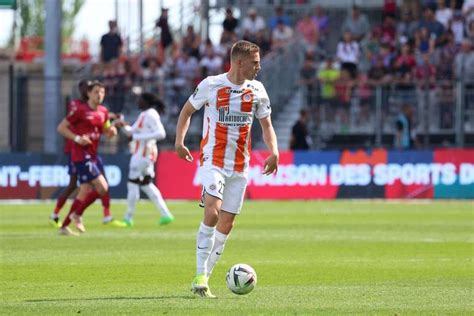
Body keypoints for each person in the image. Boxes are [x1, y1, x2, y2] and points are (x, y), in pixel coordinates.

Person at [175, 40, 279, 298]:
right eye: (255, 62)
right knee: (212, 212)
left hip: (240, 166)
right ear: (239, 62)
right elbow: (187, 111)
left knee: (227, 223)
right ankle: (200, 274)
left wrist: (273, 151)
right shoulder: (212, 85)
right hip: (213, 160)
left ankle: (204, 279)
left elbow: (266, 126)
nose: (259, 67)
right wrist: (179, 142)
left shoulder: (257, 90)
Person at [49, 80, 121, 228]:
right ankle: (76, 214)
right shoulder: (80, 109)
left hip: (93, 155)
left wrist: (112, 131)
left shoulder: (103, 112)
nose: (99, 95)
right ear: (88, 93)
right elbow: (61, 127)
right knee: (102, 187)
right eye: (96, 92)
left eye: (102, 92)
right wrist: (77, 138)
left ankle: (65, 226)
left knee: (85, 190)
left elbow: (107, 131)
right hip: (80, 155)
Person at [115, 93, 174, 227]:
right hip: (145, 155)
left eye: (140, 100)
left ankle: (128, 218)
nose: (138, 102)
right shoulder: (144, 115)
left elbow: (161, 133)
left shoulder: (150, 114)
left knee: (132, 184)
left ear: (147, 102)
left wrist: (139, 138)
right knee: (146, 185)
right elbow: (131, 132)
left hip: (142, 155)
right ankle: (166, 215)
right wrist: (122, 124)